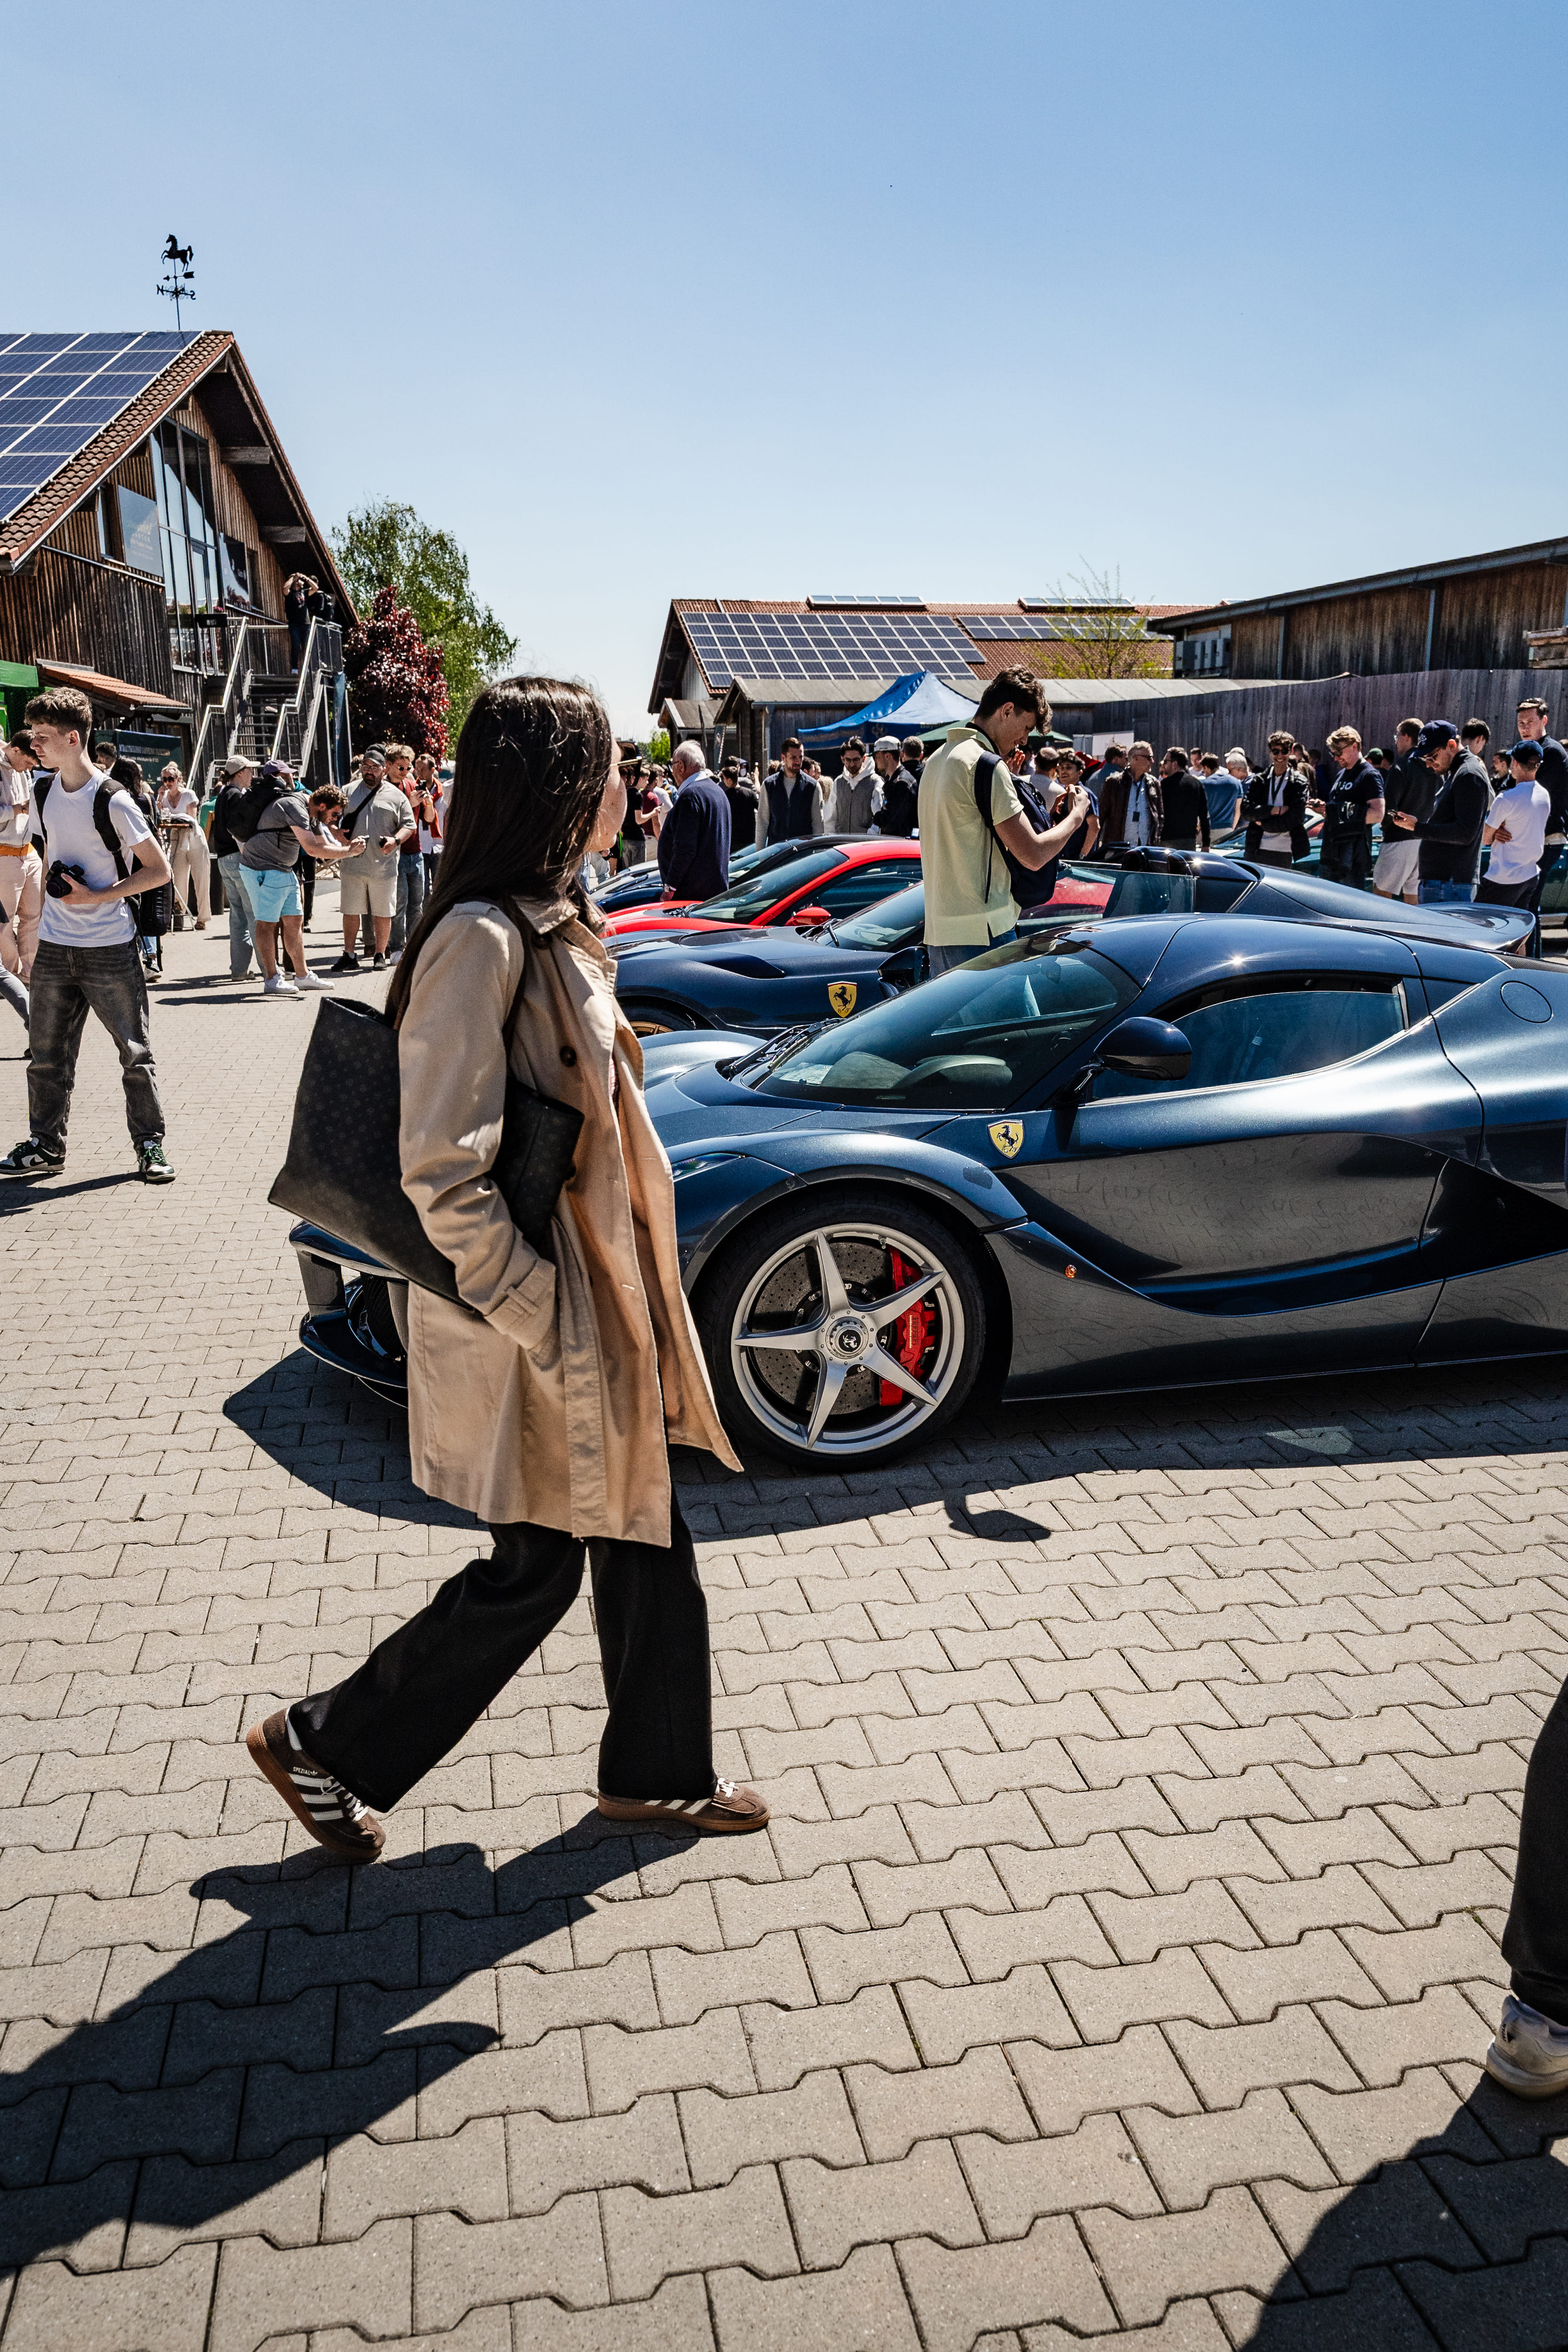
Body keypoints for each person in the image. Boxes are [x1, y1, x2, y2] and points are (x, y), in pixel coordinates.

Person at [243, 674, 767, 1863]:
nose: (633, 787)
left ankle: (656, 1772)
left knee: (637, 1540)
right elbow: (441, 1167)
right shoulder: (481, 938)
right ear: (559, 789)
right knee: (540, 1568)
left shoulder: (544, 917)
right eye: (613, 769)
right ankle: (325, 1743)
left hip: (591, 1302)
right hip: (543, 1317)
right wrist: (544, 1315)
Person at [0, 686, 175, 1183]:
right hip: (56, 947)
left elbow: (158, 870)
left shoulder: (114, 800)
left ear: (73, 739)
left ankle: (150, 1147)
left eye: (43, 737)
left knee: (134, 1053)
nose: (35, 745)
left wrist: (93, 896)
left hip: (109, 947)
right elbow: (41, 850)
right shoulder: (39, 791)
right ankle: (45, 1145)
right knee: (46, 1055)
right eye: (33, 736)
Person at [918, 667, 1088, 975]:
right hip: (984, 931)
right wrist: (1076, 817)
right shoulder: (985, 766)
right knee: (1019, 1025)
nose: (1024, 740)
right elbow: (1033, 854)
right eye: (1025, 728)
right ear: (1006, 710)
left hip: (940, 931)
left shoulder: (937, 759)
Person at [242, 773, 363, 995]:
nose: (335, 819)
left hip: (284, 870)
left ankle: (303, 975)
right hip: (263, 869)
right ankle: (271, 978)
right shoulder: (295, 807)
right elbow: (312, 849)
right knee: (267, 924)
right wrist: (349, 852)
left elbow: (324, 844)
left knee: (295, 921)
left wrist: (346, 846)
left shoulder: (311, 809)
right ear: (323, 805)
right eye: (335, 814)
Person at [1388, 720, 1489, 905]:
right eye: (1426, 759)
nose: (1429, 764)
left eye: (1432, 757)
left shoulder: (1468, 774)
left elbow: (1465, 833)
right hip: (1445, 882)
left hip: (1451, 883)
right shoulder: (1457, 771)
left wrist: (1417, 827)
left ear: (1451, 745)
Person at [333, 749, 415, 972]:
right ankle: (349, 954)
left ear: (385, 769)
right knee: (350, 911)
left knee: (383, 912)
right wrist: (336, 833)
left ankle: (380, 953)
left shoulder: (397, 795)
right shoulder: (347, 791)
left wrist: (395, 840)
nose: (369, 772)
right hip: (352, 864)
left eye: (375, 768)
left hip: (384, 865)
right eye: (366, 767)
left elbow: (409, 825)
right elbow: (329, 818)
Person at [1476, 740, 1550, 922]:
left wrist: (1495, 832)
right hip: (1530, 875)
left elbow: (1485, 839)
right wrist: (1498, 830)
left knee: (1481, 929)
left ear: (1515, 763)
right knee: (1517, 935)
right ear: (1538, 765)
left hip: (1503, 878)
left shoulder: (1506, 799)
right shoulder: (1545, 795)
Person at [1513, 697, 1568, 914]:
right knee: (1526, 906)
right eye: (1521, 724)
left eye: (1530, 722)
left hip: (1547, 837)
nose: (1525, 728)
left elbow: (1530, 793)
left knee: (1527, 906)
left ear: (1544, 721)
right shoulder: (1525, 751)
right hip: (1530, 835)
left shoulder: (1552, 752)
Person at [209, 753, 261, 981]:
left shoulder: (223, 794)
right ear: (240, 773)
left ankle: (239, 970)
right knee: (254, 915)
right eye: (250, 771)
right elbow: (237, 829)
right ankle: (269, 968)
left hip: (224, 860)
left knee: (238, 916)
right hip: (237, 859)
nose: (253, 775)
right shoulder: (235, 796)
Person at [658, 741, 731, 902]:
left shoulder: (690, 796)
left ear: (682, 766)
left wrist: (669, 889)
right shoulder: (718, 792)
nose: (672, 771)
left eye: (673, 765)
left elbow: (685, 850)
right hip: (712, 894)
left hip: (691, 898)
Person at [1313, 725, 1384, 889]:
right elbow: (1337, 812)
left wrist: (1337, 810)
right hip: (1331, 851)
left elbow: (1378, 814)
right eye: (1333, 754)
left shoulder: (1369, 775)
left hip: (1352, 855)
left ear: (1354, 746)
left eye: (1339, 753)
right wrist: (1326, 810)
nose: (1336, 758)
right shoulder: (1342, 774)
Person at [1375, 718, 1433, 905]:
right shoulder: (1434, 767)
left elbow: (1389, 807)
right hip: (1424, 840)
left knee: (1380, 898)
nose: (1396, 742)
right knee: (1413, 901)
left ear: (1407, 737)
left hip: (1398, 839)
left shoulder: (1401, 766)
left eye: (1397, 737)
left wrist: (1386, 827)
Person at [1, 729, 43, 982]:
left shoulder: (22, 769)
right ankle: (7, 976)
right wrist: (18, 809)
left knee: (34, 915)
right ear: (15, 750)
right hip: (4, 853)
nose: (30, 768)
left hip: (28, 850)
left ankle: (30, 973)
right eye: (28, 762)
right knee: (4, 921)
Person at [1241, 731, 1310, 867]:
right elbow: (1246, 811)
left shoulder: (1299, 782)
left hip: (1284, 850)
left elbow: (1296, 818)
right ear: (1270, 752)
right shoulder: (1259, 780)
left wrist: (1264, 824)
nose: (1280, 756)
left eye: (1284, 751)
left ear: (1290, 752)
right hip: (1256, 848)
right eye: (1275, 751)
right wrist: (1274, 810)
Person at [384, 746, 427, 957]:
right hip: (396, 854)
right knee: (399, 904)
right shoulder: (382, 789)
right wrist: (409, 805)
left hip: (416, 851)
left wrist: (427, 803)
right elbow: (386, 824)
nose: (405, 771)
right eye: (401, 767)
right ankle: (396, 947)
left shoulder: (411, 784)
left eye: (408, 767)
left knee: (417, 904)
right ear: (389, 765)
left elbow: (428, 819)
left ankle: (415, 945)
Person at [157, 762, 211, 930]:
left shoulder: (189, 794)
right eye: (164, 779)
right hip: (176, 837)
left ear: (178, 779)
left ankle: (202, 918)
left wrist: (175, 817)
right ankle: (179, 917)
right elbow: (161, 818)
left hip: (193, 838)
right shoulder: (164, 798)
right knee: (178, 879)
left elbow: (192, 819)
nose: (168, 783)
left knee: (201, 878)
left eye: (171, 779)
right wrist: (159, 800)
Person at [1095, 740, 1162, 854]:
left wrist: (1156, 843)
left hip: (1145, 850)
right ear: (1136, 758)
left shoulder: (1154, 784)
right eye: (1149, 757)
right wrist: (1096, 849)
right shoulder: (1114, 783)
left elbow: (1160, 817)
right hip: (1118, 849)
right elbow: (1101, 816)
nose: (1152, 761)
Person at [760, 736, 825, 846]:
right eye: (793, 757)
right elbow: (763, 822)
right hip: (777, 852)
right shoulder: (769, 785)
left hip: (803, 853)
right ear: (783, 758)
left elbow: (818, 824)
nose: (798, 761)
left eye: (801, 757)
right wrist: (761, 856)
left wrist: (817, 852)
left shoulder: (812, 786)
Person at [1158, 747, 1211, 851]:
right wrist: (1206, 844)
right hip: (1189, 841)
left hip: (1167, 840)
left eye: (1166, 761)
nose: (1164, 765)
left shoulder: (1164, 785)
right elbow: (1204, 816)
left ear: (1175, 764)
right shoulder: (1196, 784)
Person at [412, 751, 447, 899]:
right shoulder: (413, 791)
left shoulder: (444, 792)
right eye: (417, 770)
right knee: (423, 890)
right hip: (421, 845)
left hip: (439, 845)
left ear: (433, 770)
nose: (419, 773)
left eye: (423, 770)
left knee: (441, 888)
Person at [873, 736, 918, 836]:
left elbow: (890, 823)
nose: (875, 760)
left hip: (902, 843)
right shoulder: (893, 780)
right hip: (896, 842)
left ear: (888, 756)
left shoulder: (902, 783)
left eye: (877, 756)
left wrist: (877, 816)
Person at [828, 738, 876, 833]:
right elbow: (831, 817)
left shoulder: (875, 782)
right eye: (848, 760)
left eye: (856, 760)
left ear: (863, 758)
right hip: (841, 842)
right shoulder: (838, 782)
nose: (852, 764)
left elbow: (878, 820)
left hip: (865, 843)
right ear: (843, 759)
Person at [715, 756, 758, 848]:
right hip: (749, 837)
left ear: (729, 780)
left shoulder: (724, 796)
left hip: (732, 839)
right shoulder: (750, 794)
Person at [283, 572, 310, 671]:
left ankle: (307, 667)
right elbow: (285, 588)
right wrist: (293, 578)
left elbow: (315, 588)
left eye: (298, 581)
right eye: (296, 581)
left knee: (306, 646)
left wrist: (307, 579)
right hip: (294, 624)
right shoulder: (290, 594)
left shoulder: (304, 592)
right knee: (296, 644)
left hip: (305, 624)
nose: (298, 583)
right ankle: (295, 668)